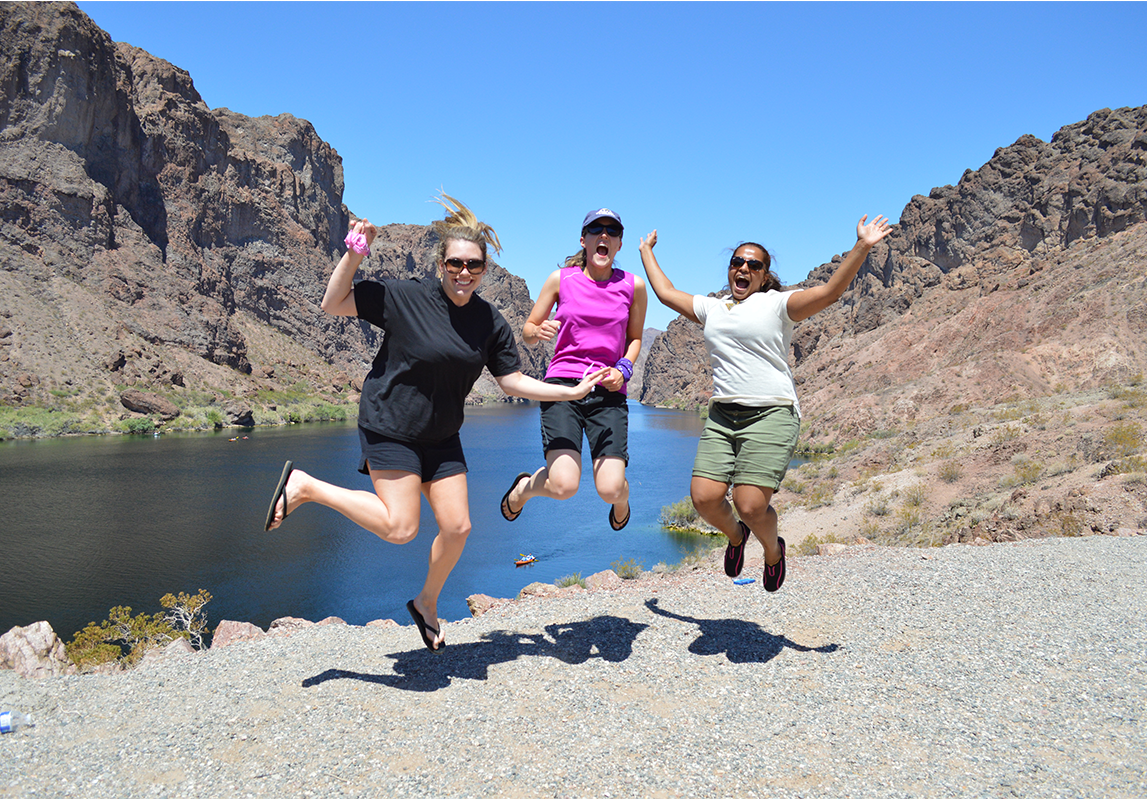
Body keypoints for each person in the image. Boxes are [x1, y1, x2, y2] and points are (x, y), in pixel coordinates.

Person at [264, 195, 608, 652]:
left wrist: (569, 391)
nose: (464, 273)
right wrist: (354, 254)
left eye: (474, 266)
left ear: (485, 268)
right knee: (401, 527)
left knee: (458, 527)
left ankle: (426, 603)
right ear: (440, 263)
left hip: (442, 435)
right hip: (390, 424)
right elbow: (334, 303)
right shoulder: (405, 297)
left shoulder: (489, 320)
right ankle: (306, 486)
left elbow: (510, 381)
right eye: (454, 264)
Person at [638, 215, 892, 591]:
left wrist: (862, 247)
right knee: (704, 500)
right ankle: (737, 538)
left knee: (751, 505)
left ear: (764, 274)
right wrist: (645, 252)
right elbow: (665, 292)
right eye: (737, 262)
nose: (743, 268)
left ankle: (773, 552)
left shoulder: (779, 305)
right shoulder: (713, 308)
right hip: (723, 415)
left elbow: (830, 292)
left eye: (753, 264)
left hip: (772, 414)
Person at [499, 208, 648, 531]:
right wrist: (536, 333)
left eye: (612, 230)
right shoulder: (561, 280)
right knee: (564, 486)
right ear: (584, 240)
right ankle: (524, 488)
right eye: (596, 229)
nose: (604, 235)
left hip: (608, 392)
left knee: (610, 488)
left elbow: (635, 338)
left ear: (619, 244)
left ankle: (622, 500)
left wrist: (623, 369)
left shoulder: (633, 286)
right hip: (562, 388)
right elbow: (527, 330)